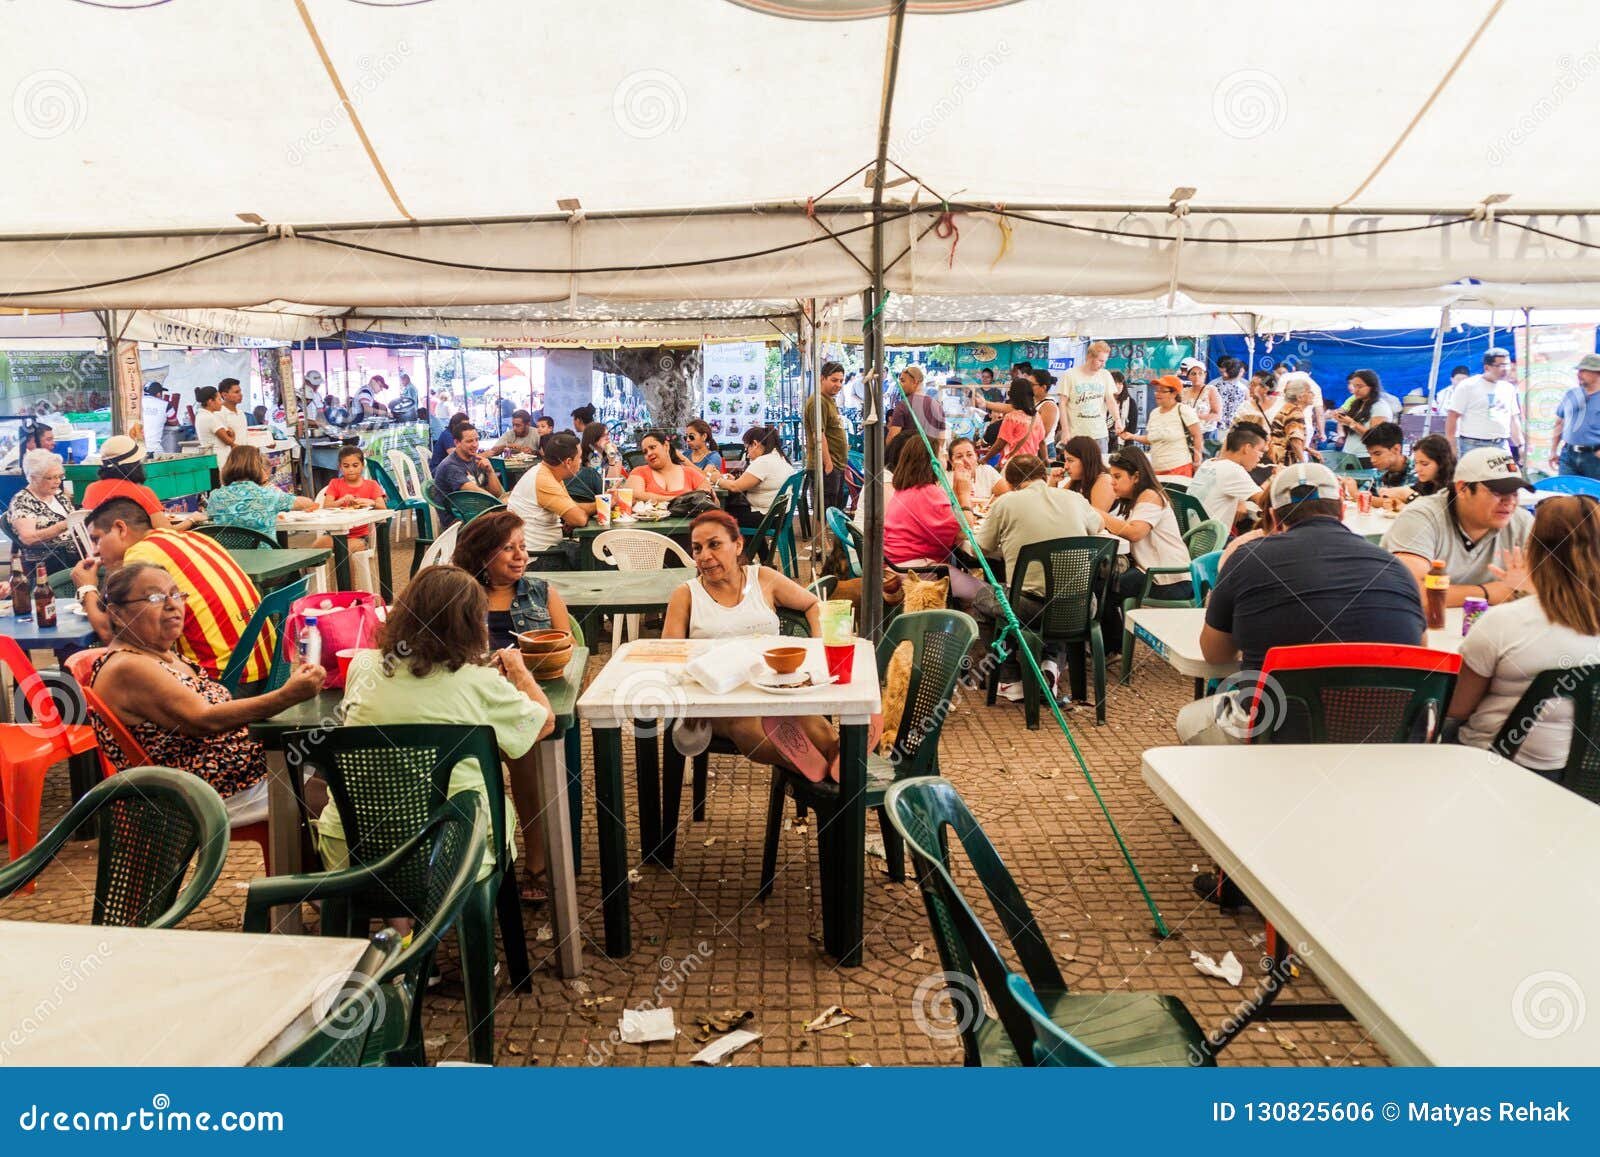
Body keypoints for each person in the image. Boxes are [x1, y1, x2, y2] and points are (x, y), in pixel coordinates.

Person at [326, 565, 556, 898]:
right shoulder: (480, 681)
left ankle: (395, 925)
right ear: (471, 624)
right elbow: (544, 722)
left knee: (321, 789)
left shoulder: (363, 666)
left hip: (355, 850)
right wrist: (520, 672)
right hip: (454, 851)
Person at [1176, 462, 1426, 747]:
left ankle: (1236, 786)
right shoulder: (1396, 568)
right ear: (1342, 511)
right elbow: (1419, 649)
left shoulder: (1248, 558)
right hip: (1384, 735)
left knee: (1190, 719)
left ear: (1272, 515)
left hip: (1279, 732)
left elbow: (1216, 655)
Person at [84, 561, 324, 824]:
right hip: (205, 791)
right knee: (337, 786)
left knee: (337, 756)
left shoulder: (160, 653)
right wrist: (286, 697)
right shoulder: (129, 667)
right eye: (154, 597)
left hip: (240, 770)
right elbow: (204, 719)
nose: (172, 605)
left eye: (176, 595)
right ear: (117, 614)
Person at [662, 511, 842, 779]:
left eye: (714, 544)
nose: (703, 556)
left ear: (738, 545)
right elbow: (669, 654)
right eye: (697, 548)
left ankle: (838, 764)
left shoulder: (763, 578)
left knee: (812, 722)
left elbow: (813, 604)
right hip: (717, 698)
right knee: (747, 723)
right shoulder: (686, 594)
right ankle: (818, 772)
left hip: (771, 687)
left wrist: (817, 647)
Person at [1448, 496, 1600, 772]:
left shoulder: (1504, 622)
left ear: (1535, 552)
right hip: (1584, 781)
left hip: (1494, 771)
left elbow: (1457, 709)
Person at [79, 498, 272, 682]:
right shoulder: (194, 538)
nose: (95, 551)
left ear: (120, 528)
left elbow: (111, 634)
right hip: (268, 666)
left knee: (118, 681)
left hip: (223, 677)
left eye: (97, 539)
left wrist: (86, 587)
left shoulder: (140, 555)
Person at [972, 454, 1105, 704]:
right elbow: (1097, 528)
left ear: (1011, 484)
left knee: (983, 599)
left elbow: (982, 547)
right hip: (1082, 605)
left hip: (1029, 606)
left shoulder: (1007, 502)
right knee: (1057, 593)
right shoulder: (1074, 499)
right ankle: (1050, 664)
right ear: (1043, 476)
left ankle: (1011, 678)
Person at [1382, 447, 1534, 607]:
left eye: (1515, 493)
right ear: (1462, 488)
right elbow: (1409, 590)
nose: (1510, 502)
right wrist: (1488, 593)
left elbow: (1552, 583)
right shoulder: (1421, 517)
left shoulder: (1521, 521)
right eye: (1497, 492)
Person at [452, 509, 571, 649]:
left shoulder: (542, 592)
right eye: (508, 548)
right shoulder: (462, 598)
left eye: (523, 547)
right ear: (483, 556)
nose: (520, 555)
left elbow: (569, 647)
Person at [1099, 447, 1193, 611]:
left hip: (1170, 581)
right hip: (1151, 573)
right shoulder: (1135, 499)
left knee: (1104, 588)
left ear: (1136, 477)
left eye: (1117, 476)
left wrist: (1096, 512)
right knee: (1103, 583)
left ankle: (1109, 636)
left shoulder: (1151, 495)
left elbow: (1135, 533)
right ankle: (1111, 634)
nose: (1112, 482)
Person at [81, 434, 194, 531]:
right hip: (138, 553)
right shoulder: (143, 492)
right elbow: (166, 531)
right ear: (135, 465)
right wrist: (192, 519)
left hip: (101, 552)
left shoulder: (91, 489)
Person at [206, 444, 315, 536]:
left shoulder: (215, 496)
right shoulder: (270, 495)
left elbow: (210, 516)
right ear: (259, 468)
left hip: (230, 559)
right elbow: (308, 503)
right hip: (267, 557)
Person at [507, 431, 590, 551]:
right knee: (597, 557)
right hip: (538, 557)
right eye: (580, 457)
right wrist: (573, 517)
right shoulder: (543, 479)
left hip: (547, 549)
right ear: (568, 462)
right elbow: (579, 519)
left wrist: (604, 504)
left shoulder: (549, 473)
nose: (581, 461)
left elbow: (573, 507)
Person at [7, 449, 79, 575]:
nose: (58, 481)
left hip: (73, 553)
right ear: (33, 478)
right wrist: (62, 526)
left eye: (60, 476)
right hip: (49, 561)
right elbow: (27, 538)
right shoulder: (23, 501)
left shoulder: (58, 495)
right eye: (51, 478)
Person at [709, 426, 795, 528]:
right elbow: (749, 482)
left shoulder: (763, 461)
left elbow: (735, 487)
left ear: (755, 444)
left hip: (767, 517)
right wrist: (736, 480)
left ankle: (751, 543)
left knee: (718, 516)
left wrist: (717, 479)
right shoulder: (779, 457)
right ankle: (757, 544)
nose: (748, 455)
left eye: (747, 448)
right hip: (779, 515)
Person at [1188, 422, 1270, 529]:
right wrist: (1274, 478)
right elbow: (1266, 503)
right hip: (1209, 539)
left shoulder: (1208, 463)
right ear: (1247, 448)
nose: (1261, 457)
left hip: (1192, 533)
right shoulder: (1233, 470)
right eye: (1260, 451)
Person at [1446, 347, 1524, 457]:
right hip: (1472, 445)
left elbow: (1513, 419)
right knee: (1474, 474)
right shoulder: (1467, 386)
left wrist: (1521, 445)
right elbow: (1453, 416)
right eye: (1500, 365)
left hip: (1501, 444)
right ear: (1487, 367)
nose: (1505, 369)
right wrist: (1452, 445)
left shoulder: (1509, 388)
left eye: (1507, 365)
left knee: (1508, 474)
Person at [1122, 375, 1201, 476]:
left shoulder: (1183, 410)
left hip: (1180, 469)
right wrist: (1132, 436)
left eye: (1163, 391)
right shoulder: (1154, 413)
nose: (1157, 394)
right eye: (1157, 390)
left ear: (1174, 393)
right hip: (1156, 470)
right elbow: (1151, 439)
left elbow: (1197, 435)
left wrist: (1197, 461)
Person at [316, 444, 387, 551]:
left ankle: (343, 568)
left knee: (344, 550)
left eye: (355, 465)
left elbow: (383, 508)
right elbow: (326, 506)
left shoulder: (372, 485)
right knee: (314, 550)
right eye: (346, 466)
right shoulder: (335, 483)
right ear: (340, 467)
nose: (351, 469)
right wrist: (341, 500)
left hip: (360, 536)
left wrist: (371, 502)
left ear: (362, 465)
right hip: (334, 534)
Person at [1058, 340, 1119, 453]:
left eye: (1105, 361)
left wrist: (1118, 420)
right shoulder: (1070, 375)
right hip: (1076, 434)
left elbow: (1110, 400)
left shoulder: (1105, 375)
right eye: (1100, 361)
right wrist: (1065, 431)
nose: (1103, 365)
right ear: (1090, 357)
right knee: (1078, 468)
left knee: (1100, 468)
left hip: (1099, 434)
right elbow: (1062, 404)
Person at [804, 362, 848, 512]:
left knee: (833, 510)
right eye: (834, 380)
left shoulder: (829, 400)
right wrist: (828, 463)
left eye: (841, 381)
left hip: (836, 465)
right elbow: (819, 434)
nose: (838, 385)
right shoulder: (819, 401)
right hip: (826, 466)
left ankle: (828, 536)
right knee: (824, 512)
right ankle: (821, 536)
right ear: (822, 378)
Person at [432, 423, 505, 514]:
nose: (475, 445)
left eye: (477, 440)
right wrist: (502, 505)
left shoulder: (476, 460)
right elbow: (477, 494)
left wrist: (490, 471)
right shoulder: (450, 466)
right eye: (469, 441)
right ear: (457, 443)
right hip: (460, 518)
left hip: (476, 509)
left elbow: (498, 493)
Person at [1551, 352, 1600, 479]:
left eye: (1584, 371)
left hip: (1595, 457)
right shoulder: (1571, 394)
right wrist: (1553, 450)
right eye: (1579, 370)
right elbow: (1559, 423)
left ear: (1597, 372)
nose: (1579, 374)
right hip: (1569, 454)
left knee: (1593, 497)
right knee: (1567, 494)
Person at [1332, 369, 1395, 466]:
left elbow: (1375, 437)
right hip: (1349, 456)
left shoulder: (1379, 406)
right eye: (1354, 386)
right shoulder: (1356, 404)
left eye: (1360, 386)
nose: (1355, 390)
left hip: (1366, 457)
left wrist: (1351, 423)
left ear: (1372, 387)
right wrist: (1341, 420)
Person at [625, 430, 710, 499]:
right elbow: (633, 496)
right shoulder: (639, 472)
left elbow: (711, 503)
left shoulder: (690, 473)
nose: (649, 453)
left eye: (652, 447)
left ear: (666, 446)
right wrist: (679, 500)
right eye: (645, 452)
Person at [886, 364, 947, 455]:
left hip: (907, 461)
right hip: (929, 462)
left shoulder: (902, 406)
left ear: (915, 382)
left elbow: (892, 438)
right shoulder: (937, 406)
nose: (899, 385)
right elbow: (942, 438)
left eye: (903, 381)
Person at [1352, 422, 1416, 506]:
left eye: (1377, 454)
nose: (1372, 460)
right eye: (1370, 454)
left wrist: (1354, 493)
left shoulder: (1416, 471)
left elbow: (1404, 503)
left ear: (1396, 449)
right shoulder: (1380, 472)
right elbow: (1365, 493)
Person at [989, 377, 1044, 469]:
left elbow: (1000, 443)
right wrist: (1045, 460)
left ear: (1013, 396)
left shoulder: (1011, 417)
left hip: (1014, 465)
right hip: (1031, 465)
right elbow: (1042, 442)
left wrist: (985, 458)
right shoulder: (1036, 416)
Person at [193, 383, 244, 472]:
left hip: (211, 458)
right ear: (210, 401)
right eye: (219, 399)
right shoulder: (211, 418)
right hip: (220, 459)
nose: (221, 403)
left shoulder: (200, 415)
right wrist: (233, 435)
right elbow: (229, 441)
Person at [1059, 435, 1116, 513]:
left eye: (1070, 460)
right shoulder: (1079, 478)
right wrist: (1053, 482)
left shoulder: (1104, 480)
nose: (1065, 466)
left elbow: (1096, 520)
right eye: (1065, 461)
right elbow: (1056, 505)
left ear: (1086, 460)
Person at [947, 437, 1003, 507]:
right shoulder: (945, 480)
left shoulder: (986, 471)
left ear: (976, 456)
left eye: (969, 455)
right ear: (951, 462)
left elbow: (1006, 494)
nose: (966, 460)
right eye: (959, 457)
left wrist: (989, 505)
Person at [1179, 357, 1222, 438]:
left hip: (1206, 434)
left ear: (1205, 375)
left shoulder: (1211, 390)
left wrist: (1197, 416)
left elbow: (1217, 415)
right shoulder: (1184, 392)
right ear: (1188, 376)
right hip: (1187, 433)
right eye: (1193, 373)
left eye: (1200, 373)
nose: (1197, 376)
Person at [1210, 357, 1250, 432]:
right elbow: (1247, 410)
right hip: (1236, 427)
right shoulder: (1244, 389)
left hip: (1216, 426)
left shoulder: (1215, 386)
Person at [1409, 434, 1456, 499]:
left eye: (1424, 464)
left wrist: (1411, 496)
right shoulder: (1425, 483)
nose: (1417, 469)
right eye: (1416, 463)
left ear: (1441, 463)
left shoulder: (1453, 491)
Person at [1108, 370, 1138, 452]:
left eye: (1121, 383)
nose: (1118, 386)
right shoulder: (1102, 402)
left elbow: (1132, 428)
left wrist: (1128, 448)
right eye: (1115, 383)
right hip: (1103, 441)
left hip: (1122, 443)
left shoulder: (1131, 403)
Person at [1031, 370, 1060, 451]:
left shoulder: (1049, 406)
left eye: (1032, 384)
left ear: (1043, 387)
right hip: (1033, 446)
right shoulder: (1033, 401)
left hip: (1044, 449)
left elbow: (1042, 435)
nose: (1028, 387)